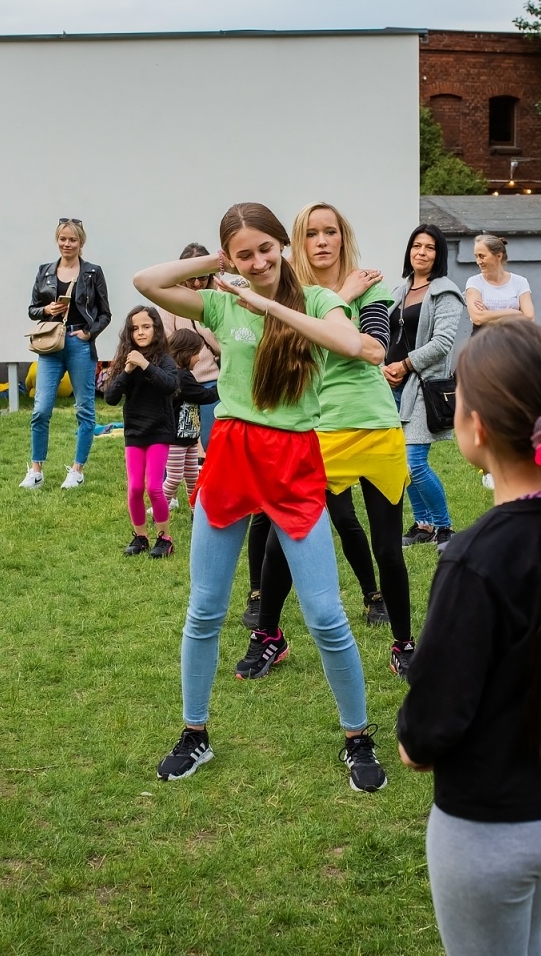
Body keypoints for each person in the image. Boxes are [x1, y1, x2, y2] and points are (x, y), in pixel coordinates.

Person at [134, 201, 386, 792]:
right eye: (243, 254)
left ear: (282, 246)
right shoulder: (221, 302)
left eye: (265, 249)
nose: (257, 262)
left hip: (293, 460)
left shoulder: (318, 301)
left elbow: (356, 346)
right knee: (205, 609)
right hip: (232, 453)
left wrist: (268, 305)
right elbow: (146, 282)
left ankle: (357, 737)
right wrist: (216, 262)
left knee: (326, 616)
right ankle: (194, 733)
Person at [397, 316, 541, 956]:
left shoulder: (475, 559)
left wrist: (413, 745)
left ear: (477, 426)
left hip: (495, 824)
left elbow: (431, 723)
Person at [243, 202, 415, 681]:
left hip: (376, 426)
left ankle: (404, 645)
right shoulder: (288, 294)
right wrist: (342, 296)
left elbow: (373, 348)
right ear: (298, 241)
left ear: (343, 237)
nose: (322, 241)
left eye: (331, 232)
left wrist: (344, 298)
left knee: (388, 549)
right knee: (282, 538)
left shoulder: (371, 287)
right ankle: (268, 636)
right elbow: (288, 349)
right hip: (316, 429)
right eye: (312, 233)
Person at [383, 224, 465, 552]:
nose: (422, 252)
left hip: (421, 385)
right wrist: (384, 367)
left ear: (438, 254)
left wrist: (404, 365)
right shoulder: (399, 291)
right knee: (402, 464)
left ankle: (444, 528)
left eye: (430, 247)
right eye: (417, 245)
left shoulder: (445, 292)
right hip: (391, 386)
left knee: (415, 461)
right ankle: (423, 525)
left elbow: (443, 343)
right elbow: (385, 335)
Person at [22, 217, 111, 490]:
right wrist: (46, 310)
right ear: (57, 240)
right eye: (63, 238)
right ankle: (36, 470)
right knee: (41, 409)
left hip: (79, 343)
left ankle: (77, 470)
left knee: (85, 409)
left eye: (73, 239)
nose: (67, 244)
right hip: (51, 344)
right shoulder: (45, 271)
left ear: (81, 242)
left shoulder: (93, 272)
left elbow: (105, 313)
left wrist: (88, 333)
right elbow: (32, 309)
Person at [101, 306, 180, 558]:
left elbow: (170, 385)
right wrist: (127, 371)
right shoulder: (126, 359)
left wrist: (145, 365)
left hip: (159, 431)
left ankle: (165, 538)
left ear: (156, 329)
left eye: (146, 327)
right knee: (135, 488)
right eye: (135, 328)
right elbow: (110, 397)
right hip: (134, 432)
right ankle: (140, 536)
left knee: (154, 488)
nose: (141, 332)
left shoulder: (164, 360)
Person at [157, 243, 222, 450]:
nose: (196, 283)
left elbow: (223, 346)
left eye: (202, 278)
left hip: (212, 381)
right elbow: (167, 345)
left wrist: (202, 319)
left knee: (211, 442)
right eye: (190, 278)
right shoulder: (169, 301)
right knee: (183, 444)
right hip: (182, 386)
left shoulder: (221, 299)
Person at [161, 327, 219, 511]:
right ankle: (159, 508)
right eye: (196, 353)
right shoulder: (181, 377)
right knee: (174, 477)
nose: (199, 358)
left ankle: (196, 510)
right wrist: (223, 386)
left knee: (193, 476)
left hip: (189, 438)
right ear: (185, 353)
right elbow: (204, 395)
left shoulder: (178, 374)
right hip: (176, 440)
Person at [465, 234, 534, 325]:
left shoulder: (520, 282)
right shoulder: (474, 282)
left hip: (514, 334)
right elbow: (478, 318)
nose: (478, 262)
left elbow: (529, 318)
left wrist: (488, 316)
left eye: (482, 256)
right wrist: (514, 313)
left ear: (498, 256)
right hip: (486, 334)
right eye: (476, 256)